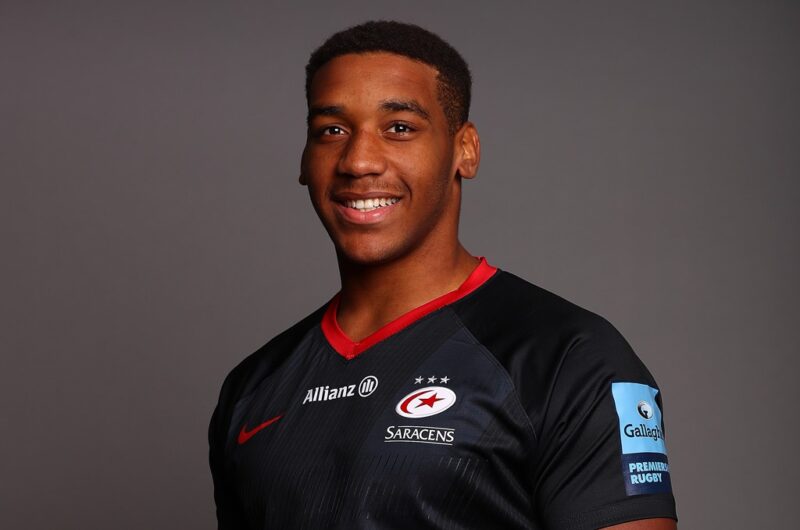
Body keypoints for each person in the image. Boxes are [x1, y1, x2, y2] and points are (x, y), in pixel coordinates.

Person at [209, 20, 677, 530]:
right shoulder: (254, 386)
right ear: (304, 160)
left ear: (464, 150)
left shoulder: (570, 357)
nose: (358, 161)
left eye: (399, 128)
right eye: (332, 131)